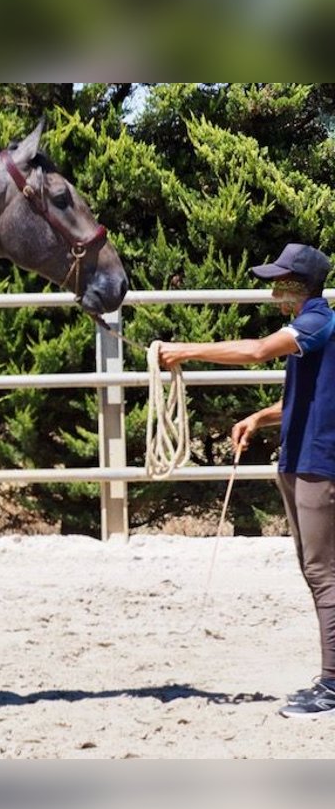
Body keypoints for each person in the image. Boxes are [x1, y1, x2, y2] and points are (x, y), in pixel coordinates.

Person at [158, 243, 335, 719]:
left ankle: (333, 687)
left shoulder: (317, 323)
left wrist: (185, 351)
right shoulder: (313, 328)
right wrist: (261, 417)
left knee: (322, 573)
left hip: (319, 464)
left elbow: (257, 352)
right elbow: (311, 397)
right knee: (318, 571)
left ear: (301, 286)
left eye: (282, 281)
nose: (274, 289)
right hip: (301, 459)